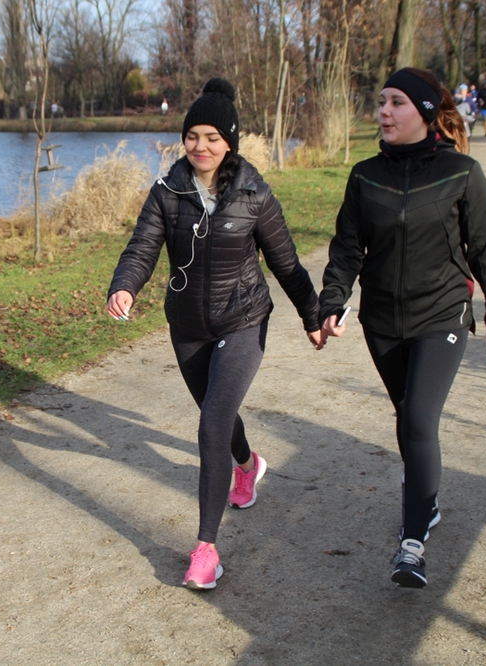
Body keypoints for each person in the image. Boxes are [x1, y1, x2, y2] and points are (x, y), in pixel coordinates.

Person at [106, 78, 323, 590]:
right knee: (216, 414)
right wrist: (124, 287)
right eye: (191, 136)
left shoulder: (254, 194)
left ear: (229, 143)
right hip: (187, 327)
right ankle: (247, 464)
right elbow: (142, 248)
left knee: (211, 424)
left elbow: (286, 263)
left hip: (243, 319)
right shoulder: (167, 193)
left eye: (211, 137)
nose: (199, 146)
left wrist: (312, 315)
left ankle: (205, 550)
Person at [317, 67, 486, 588]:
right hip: (382, 320)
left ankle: (411, 545)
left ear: (425, 112)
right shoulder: (365, 176)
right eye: (382, 101)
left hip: (442, 314)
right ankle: (425, 500)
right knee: (407, 416)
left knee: (419, 419)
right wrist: (332, 300)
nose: (383, 111)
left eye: (397, 102)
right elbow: (347, 247)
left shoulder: (461, 173)